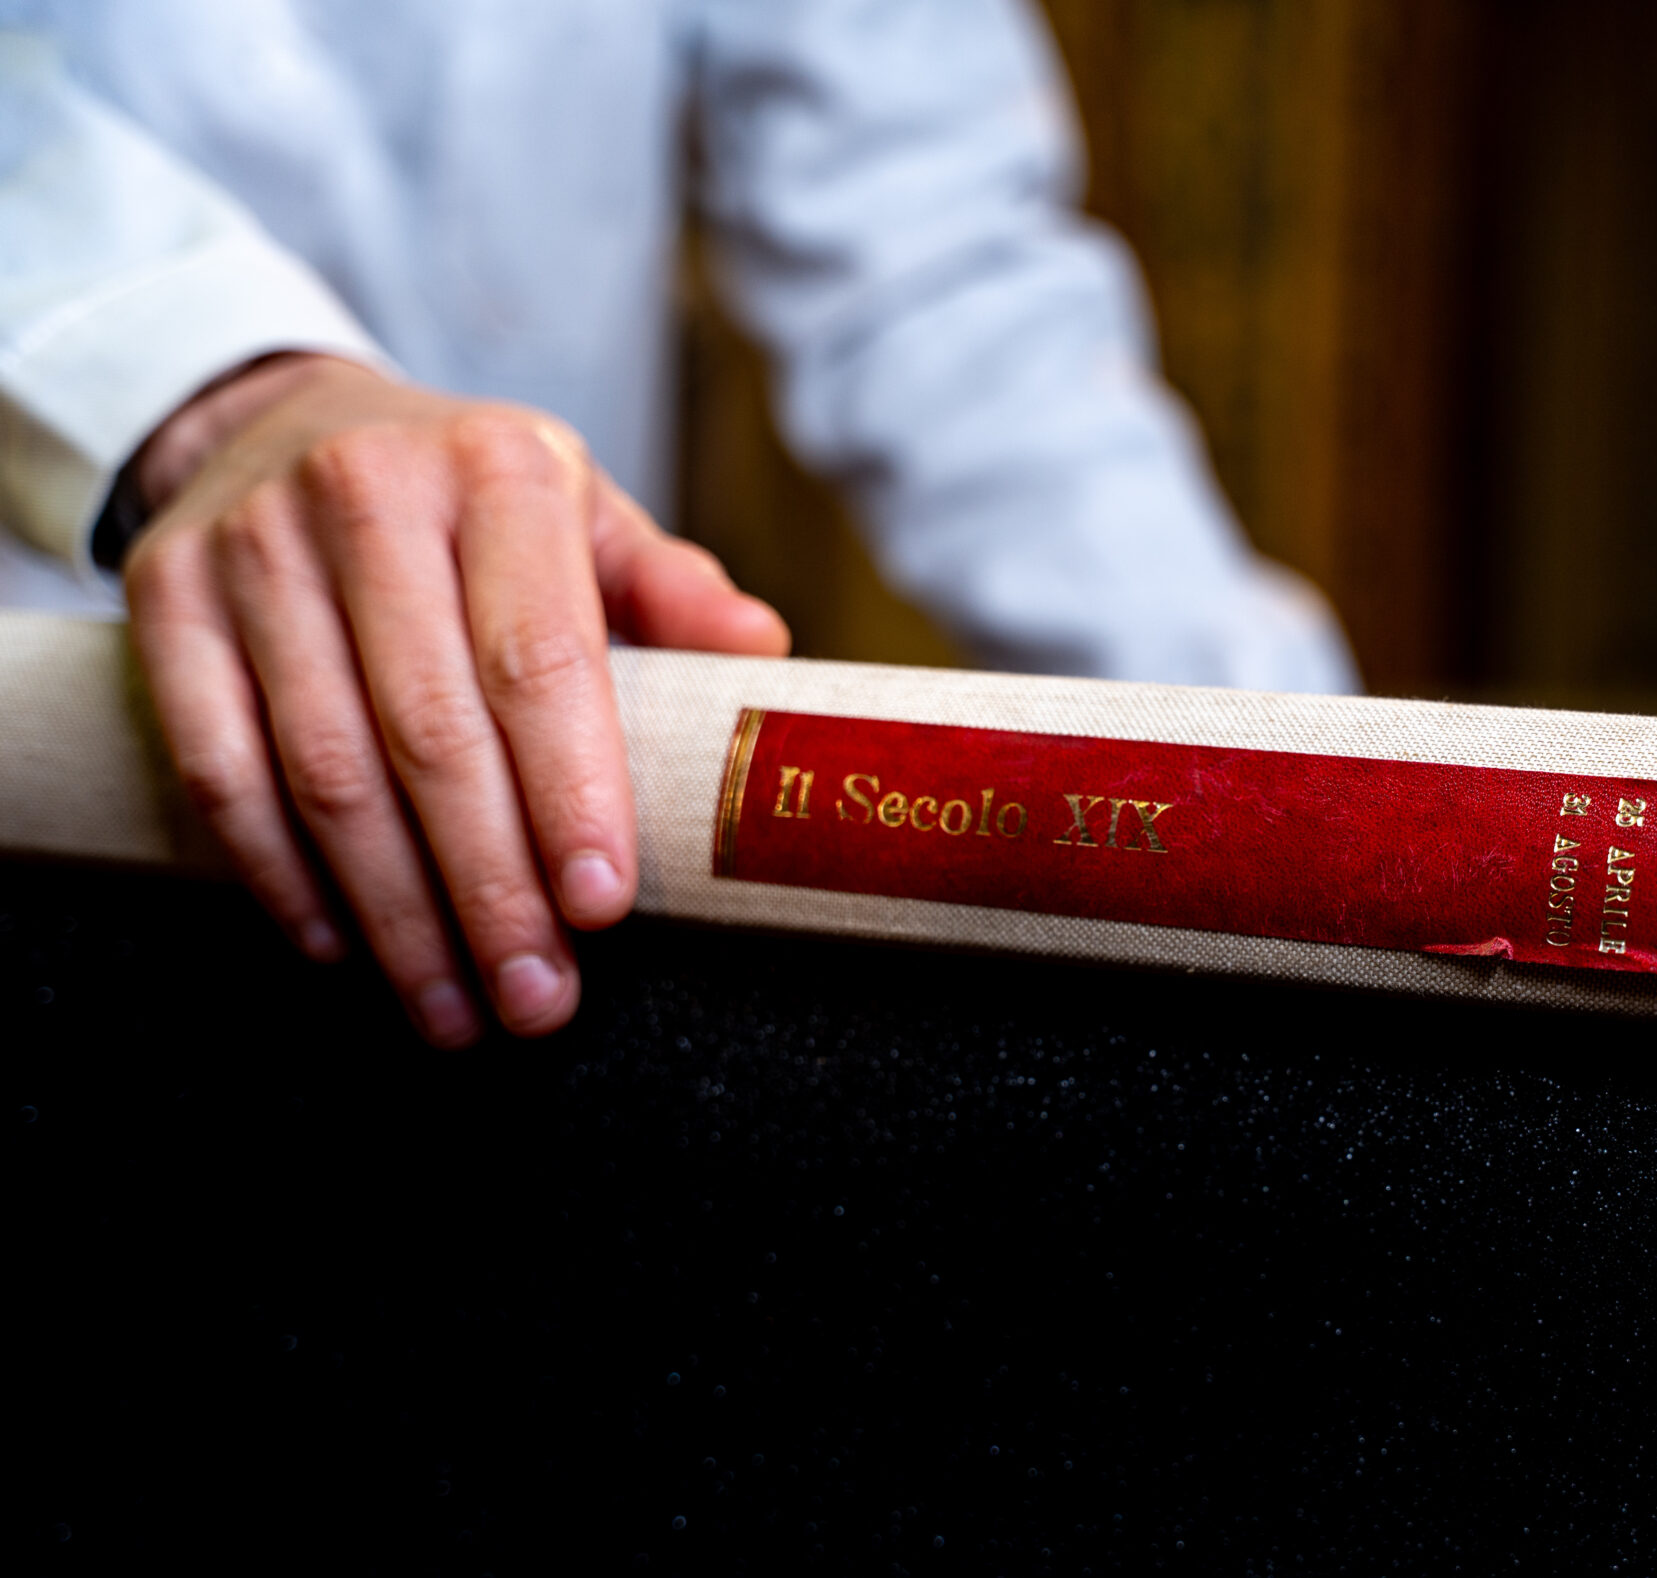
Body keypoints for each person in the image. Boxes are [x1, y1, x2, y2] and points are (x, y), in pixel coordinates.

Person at [0, 0, 1358, 1048]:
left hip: (558, 854)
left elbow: (945, 272)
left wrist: (1320, 797)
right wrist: (215, 388)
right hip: (64, 783)